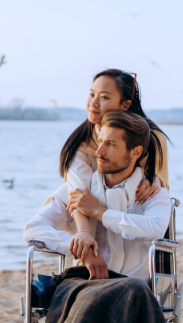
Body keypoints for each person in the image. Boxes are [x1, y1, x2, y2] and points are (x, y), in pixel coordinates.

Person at [9, 110, 174, 323]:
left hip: (131, 289)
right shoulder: (79, 190)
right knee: (105, 295)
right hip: (82, 283)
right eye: (100, 142)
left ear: (135, 152)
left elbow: (154, 227)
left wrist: (99, 213)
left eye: (111, 144)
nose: (99, 151)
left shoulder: (152, 192)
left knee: (123, 292)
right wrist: (75, 242)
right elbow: (33, 228)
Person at [62, 69, 170, 264]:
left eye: (104, 97)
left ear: (125, 105)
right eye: (91, 94)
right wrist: (86, 238)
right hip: (89, 227)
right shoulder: (81, 143)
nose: (93, 103)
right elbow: (77, 195)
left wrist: (156, 181)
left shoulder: (152, 139)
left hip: (133, 231)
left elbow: (159, 187)